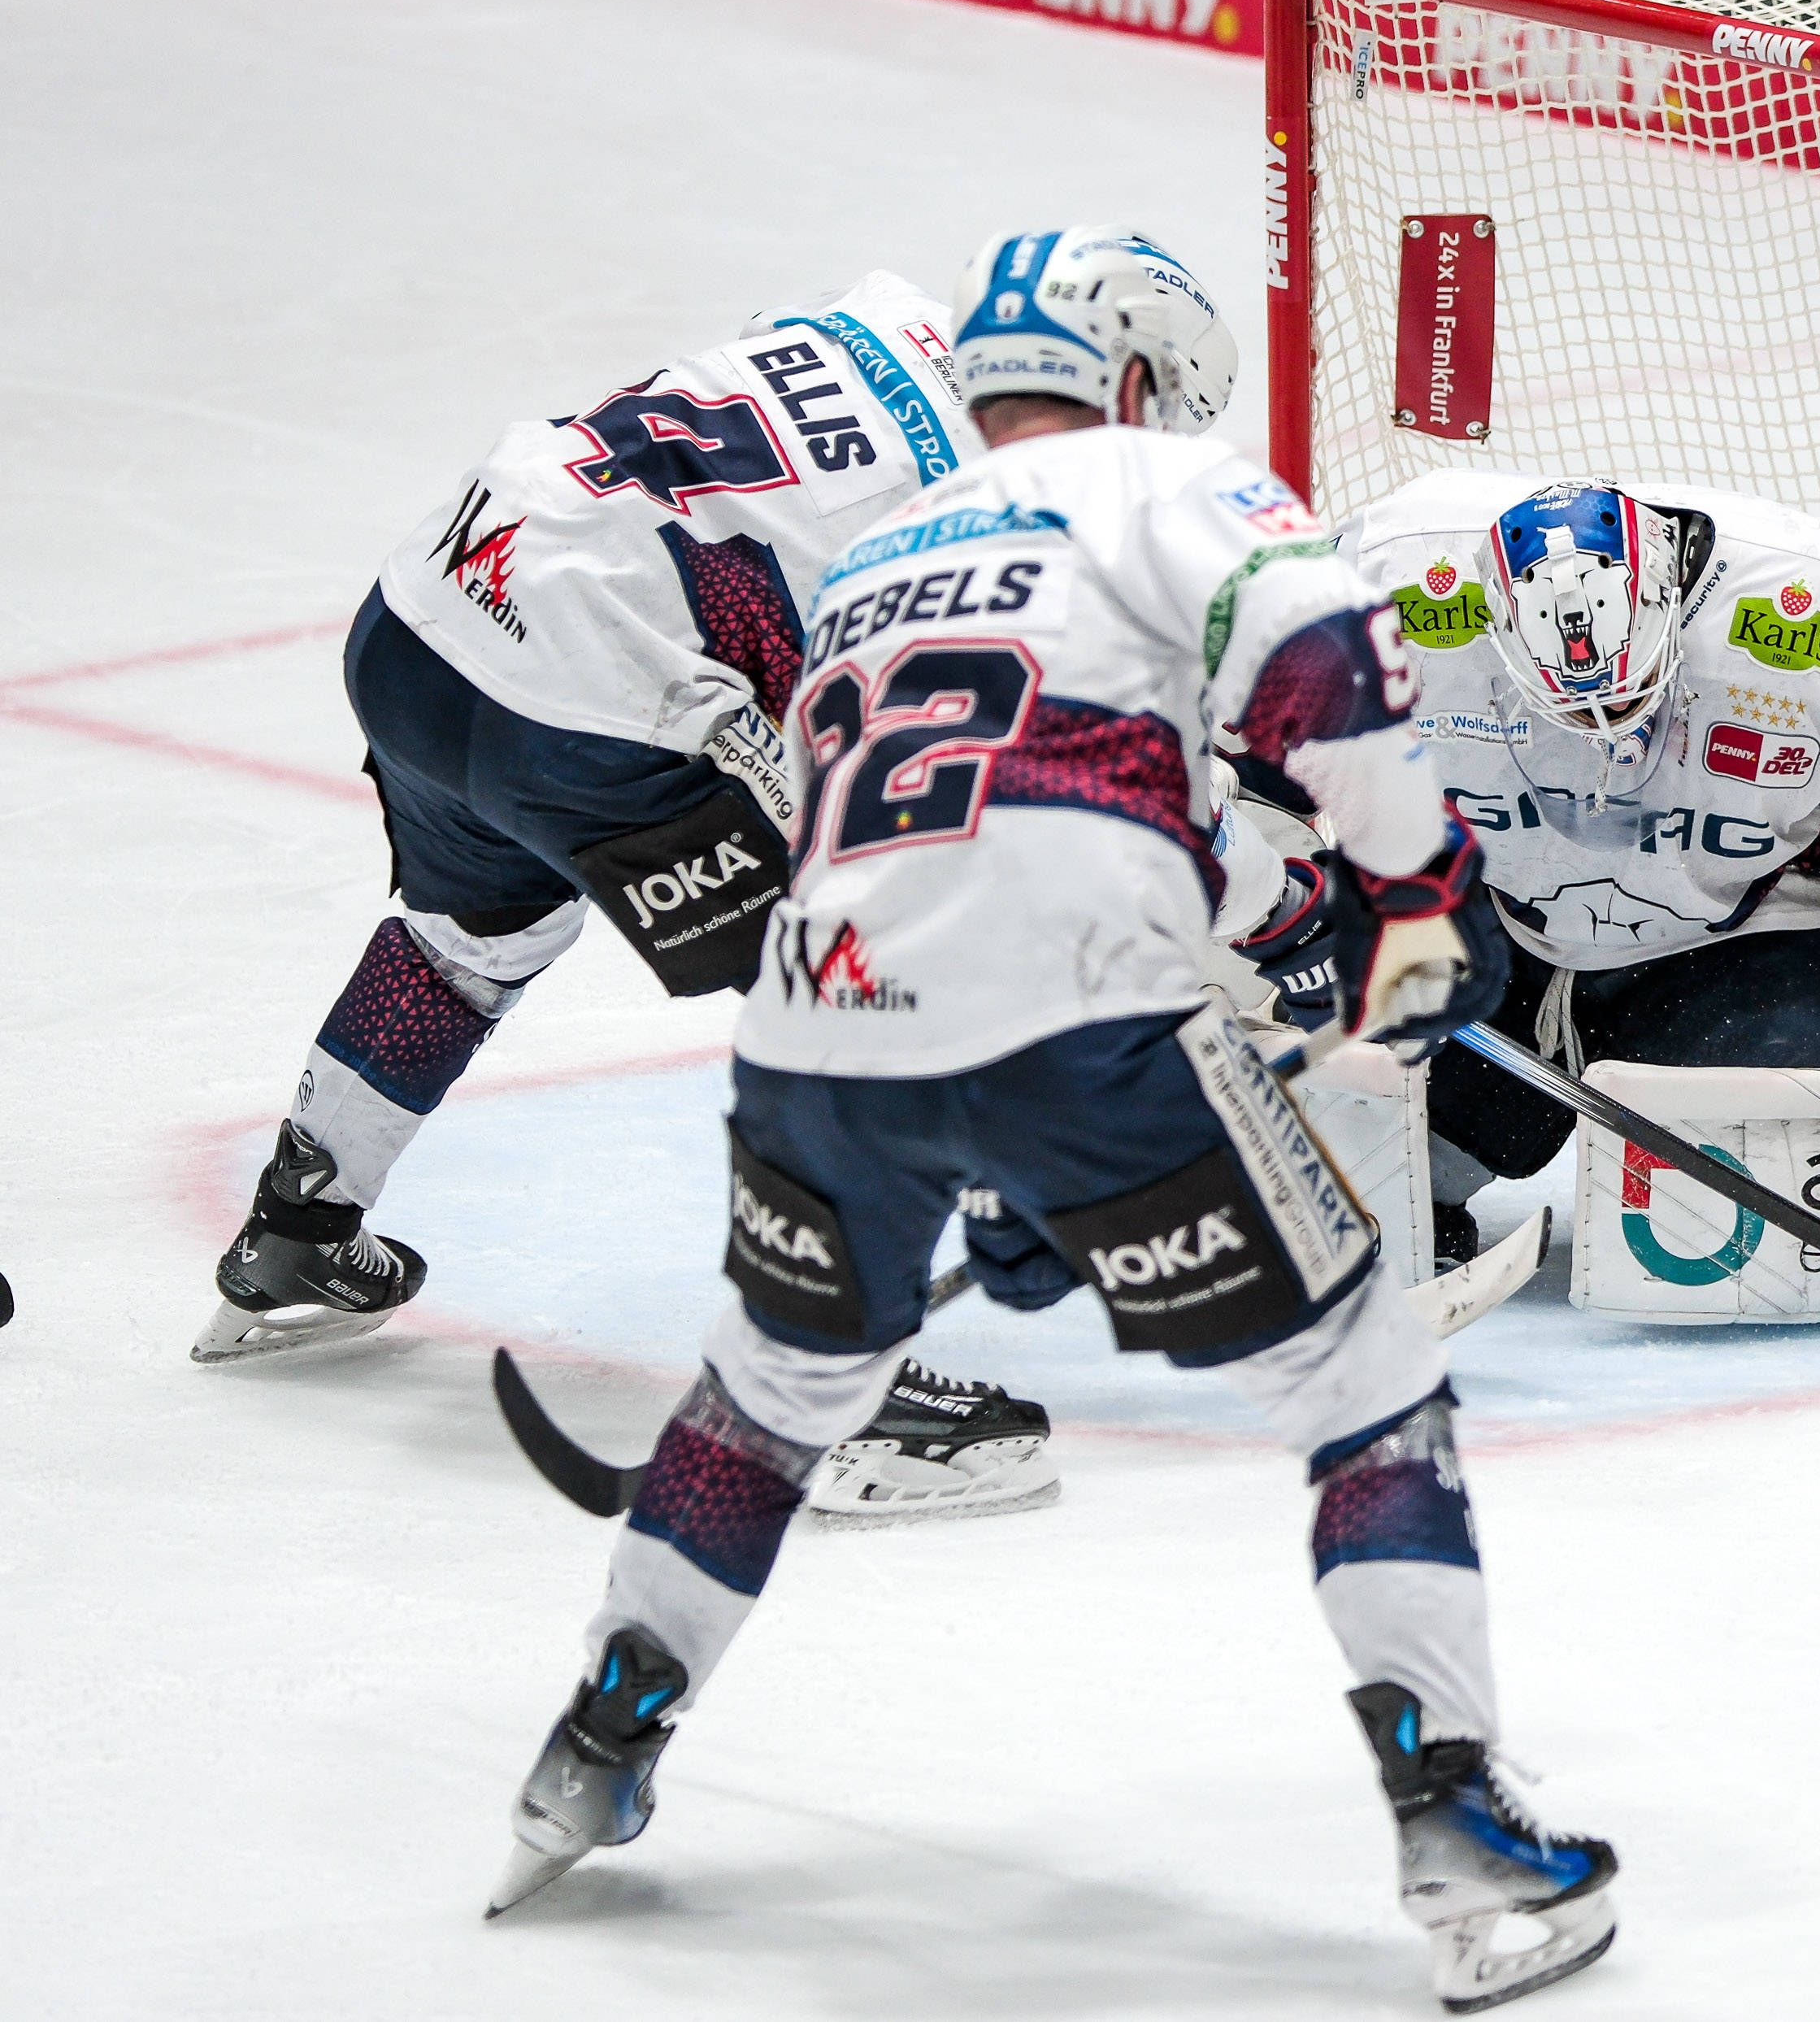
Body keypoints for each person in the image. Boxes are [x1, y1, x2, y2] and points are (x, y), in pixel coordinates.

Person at [488, 228, 1619, 2015]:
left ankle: (594, 1736)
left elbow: (979, 822)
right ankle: (1461, 1830)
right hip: (1076, 1008)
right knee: (1361, 1382)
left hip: (815, 1025)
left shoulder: (873, 565)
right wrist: (1409, 893)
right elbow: (1321, 662)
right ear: (1137, 381)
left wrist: (1037, 1129)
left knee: (775, 1391)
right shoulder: (1169, 479)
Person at [193, 266, 1075, 1516]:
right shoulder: (1007, 516)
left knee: (471, 937)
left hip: (424, 614)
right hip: (586, 707)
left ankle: (299, 1223)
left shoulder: (881, 309)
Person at [1253, 471, 1820, 1262]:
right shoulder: (1382, 582)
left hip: (1755, 934)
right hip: (1482, 917)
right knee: (1326, 1173)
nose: (1600, 724)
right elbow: (1223, 782)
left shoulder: (1817, 617)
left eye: (1628, 694)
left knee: (1722, 1237)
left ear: (1666, 604)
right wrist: (1283, 903)